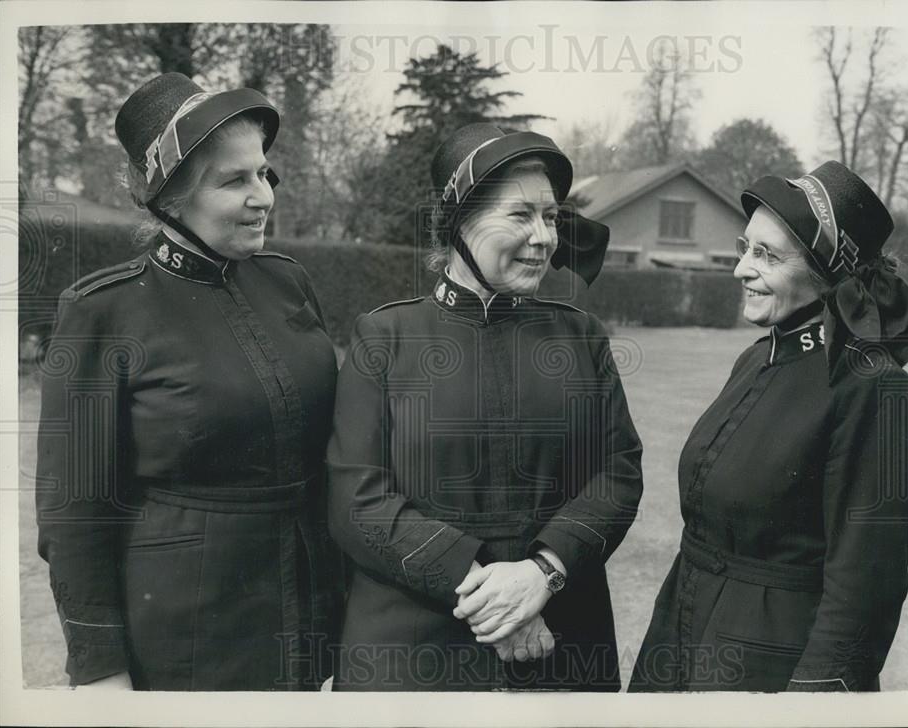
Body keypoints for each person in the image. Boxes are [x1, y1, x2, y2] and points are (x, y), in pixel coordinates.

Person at [35, 72, 341, 691]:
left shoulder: (287, 282)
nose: (263, 197)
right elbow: (74, 516)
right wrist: (101, 672)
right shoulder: (103, 311)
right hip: (186, 632)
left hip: (305, 612)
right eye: (234, 180)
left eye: (263, 173)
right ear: (171, 199)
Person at [327, 123, 644, 691]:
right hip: (413, 656)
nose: (545, 236)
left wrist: (541, 574)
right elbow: (357, 499)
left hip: (561, 646)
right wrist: (487, 598)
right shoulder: (384, 337)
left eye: (551, 216)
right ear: (458, 224)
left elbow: (616, 474)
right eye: (520, 216)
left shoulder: (582, 337)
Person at [629, 161, 908, 692]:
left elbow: (867, 583)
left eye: (765, 255)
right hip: (680, 632)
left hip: (770, 665)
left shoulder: (873, 388)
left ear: (824, 274)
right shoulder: (754, 359)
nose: (740, 269)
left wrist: (812, 700)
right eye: (745, 247)